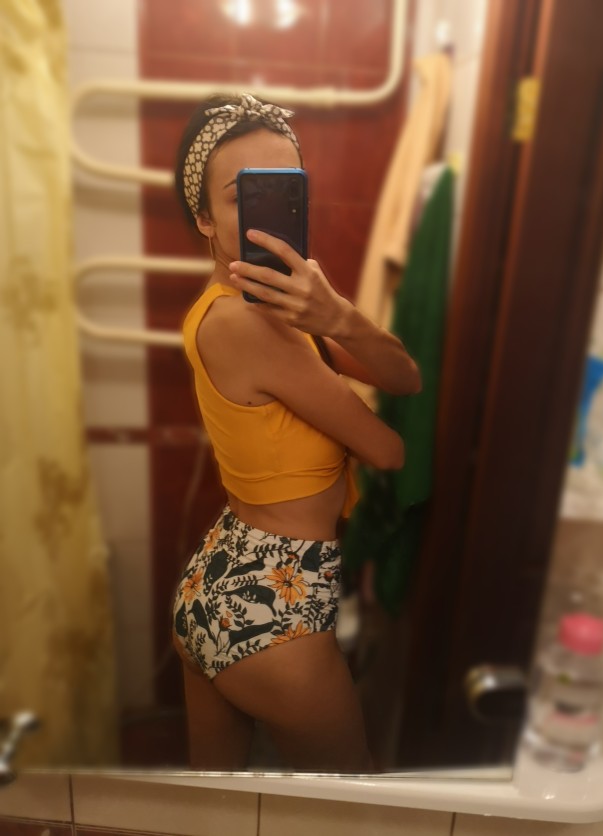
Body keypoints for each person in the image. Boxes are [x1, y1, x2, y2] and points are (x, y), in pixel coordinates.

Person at [171, 93, 421, 773]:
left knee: (214, 812)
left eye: (284, 191)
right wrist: (329, 325)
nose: (265, 216)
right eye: (241, 197)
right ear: (204, 218)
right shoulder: (245, 323)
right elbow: (387, 449)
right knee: (352, 810)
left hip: (221, 577)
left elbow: (403, 376)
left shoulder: (256, 307)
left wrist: (334, 315)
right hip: (272, 606)